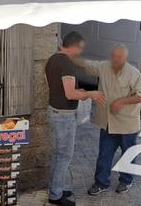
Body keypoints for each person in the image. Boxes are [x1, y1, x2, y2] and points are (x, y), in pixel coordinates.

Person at [45, 31, 106, 206]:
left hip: (54, 111)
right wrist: (90, 94)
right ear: (74, 46)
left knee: (58, 154)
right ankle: (56, 196)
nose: (80, 52)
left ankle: (56, 188)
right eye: (80, 48)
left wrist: (81, 93)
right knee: (64, 155)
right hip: (64, 116)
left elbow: (55, 87)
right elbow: (70, 93)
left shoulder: (52, 59)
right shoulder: (67, 64)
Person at [79, 44, 141, 195]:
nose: (115, 59)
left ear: (125, 58)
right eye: (114, 56)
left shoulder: (133, 73)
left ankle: (126, 180)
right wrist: (70, 56)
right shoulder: (104, 67)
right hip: (108, 122)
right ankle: (101, 183)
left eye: (119, 57)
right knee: (104, 154)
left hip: (127, 123)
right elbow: (88, 64)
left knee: (128, 154)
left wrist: (120, 102)